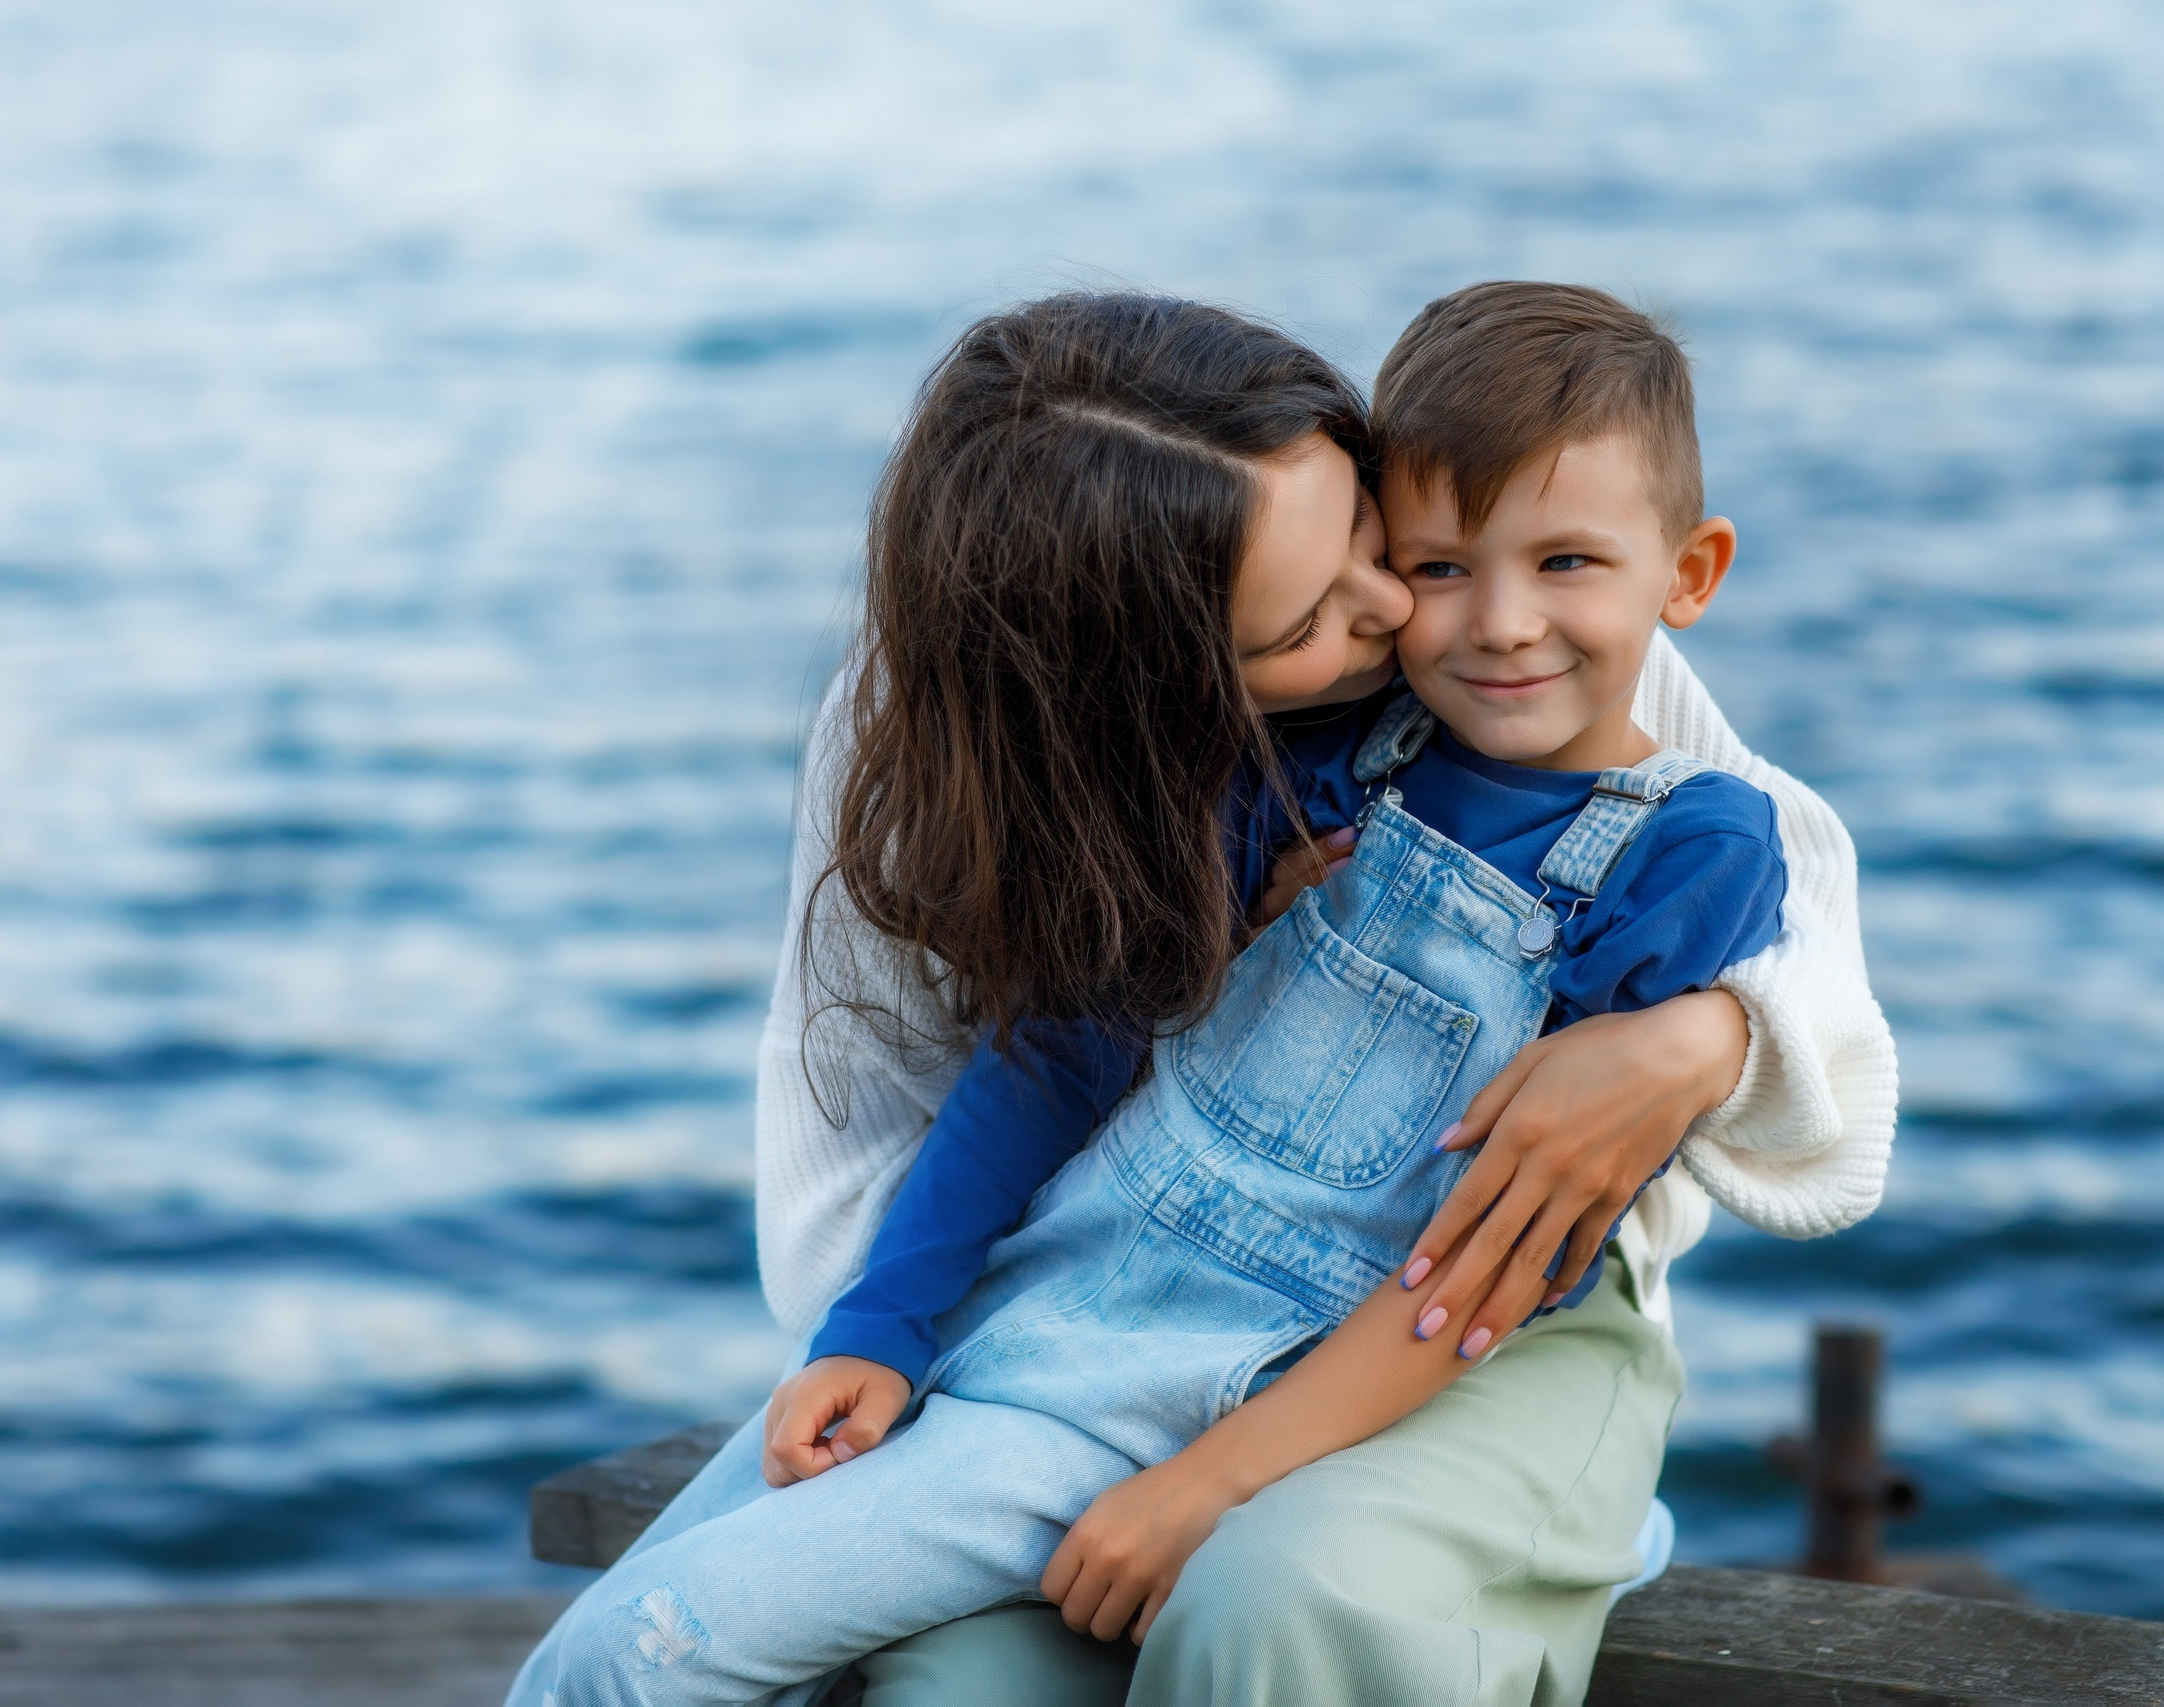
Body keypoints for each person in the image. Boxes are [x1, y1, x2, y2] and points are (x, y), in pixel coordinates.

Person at [510, 289, 1895, 1707]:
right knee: (638, 1651)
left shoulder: (1636, 779)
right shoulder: (1303, 749)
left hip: (1309, 1366)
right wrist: (881, 1331)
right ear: (1173, 678)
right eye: (1399, 574)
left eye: (1371, 548)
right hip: (1053, 1321)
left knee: (645, 1660)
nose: (1462, 620)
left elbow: (1506, 1256)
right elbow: (1055, 1048)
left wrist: (1707, 1034)